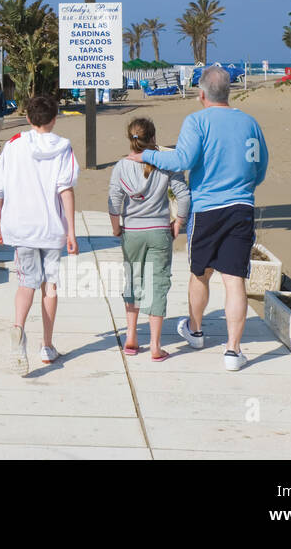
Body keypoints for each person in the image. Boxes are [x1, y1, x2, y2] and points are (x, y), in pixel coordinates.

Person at [129, 65, 268, 371]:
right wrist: (241, 188)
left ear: (201, 94)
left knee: (200, 272)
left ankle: (195, 330)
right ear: (228, 92)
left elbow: (182, 159)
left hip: (207, 210)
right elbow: (260, 167)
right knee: (234, 280)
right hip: (242, 208)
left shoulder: (197, 121)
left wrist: (146, 156)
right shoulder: (250, 122)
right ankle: (233, 351)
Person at [0, 94, 79, 374]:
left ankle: (18, 329)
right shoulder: (64, 147)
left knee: (26, 282)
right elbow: (66, 190)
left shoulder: (14, 145)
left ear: (28, 118)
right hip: (51, 229)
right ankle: (47, 345)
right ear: (54, 119)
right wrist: (71, 231)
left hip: (22, 227)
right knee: (49, 286)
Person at [109, 117, 190, 361]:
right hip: (158, 231)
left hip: (132, 231)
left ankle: (131, 338)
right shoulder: (167, 164)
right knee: (157, 284)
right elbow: (183, 196)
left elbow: (114, 201)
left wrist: (116, 228)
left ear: (130, 139)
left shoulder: (121, 166)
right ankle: (155, 346)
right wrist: (179, 222)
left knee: (133, 281)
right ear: (153, 138)